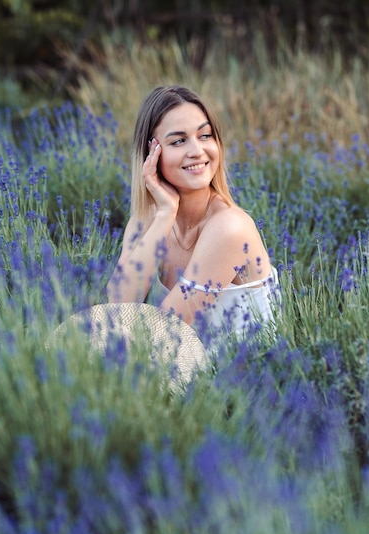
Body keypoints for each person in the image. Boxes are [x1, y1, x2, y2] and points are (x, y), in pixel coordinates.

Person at [106, 85, 279, 346]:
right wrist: (165, 214)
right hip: (175, 363)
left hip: (239, 378)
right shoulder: (148, 218)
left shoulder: (229, 228)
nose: (197, 150)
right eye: (178, 141)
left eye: (205, 135)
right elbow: (118, 305)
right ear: (152, 154)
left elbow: (167, 328)